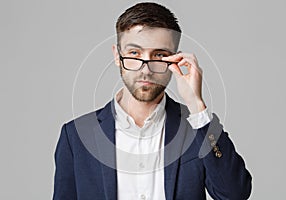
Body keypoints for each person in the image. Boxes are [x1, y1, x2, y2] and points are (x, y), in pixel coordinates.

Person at [53, 2, 252, 200]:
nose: (145, 69)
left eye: (159, 55)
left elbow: (234, 194)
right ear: (117, 55)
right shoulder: (76, 136)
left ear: (175, 59)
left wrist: (197, 106)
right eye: (134, 53)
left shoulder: (196, 129)